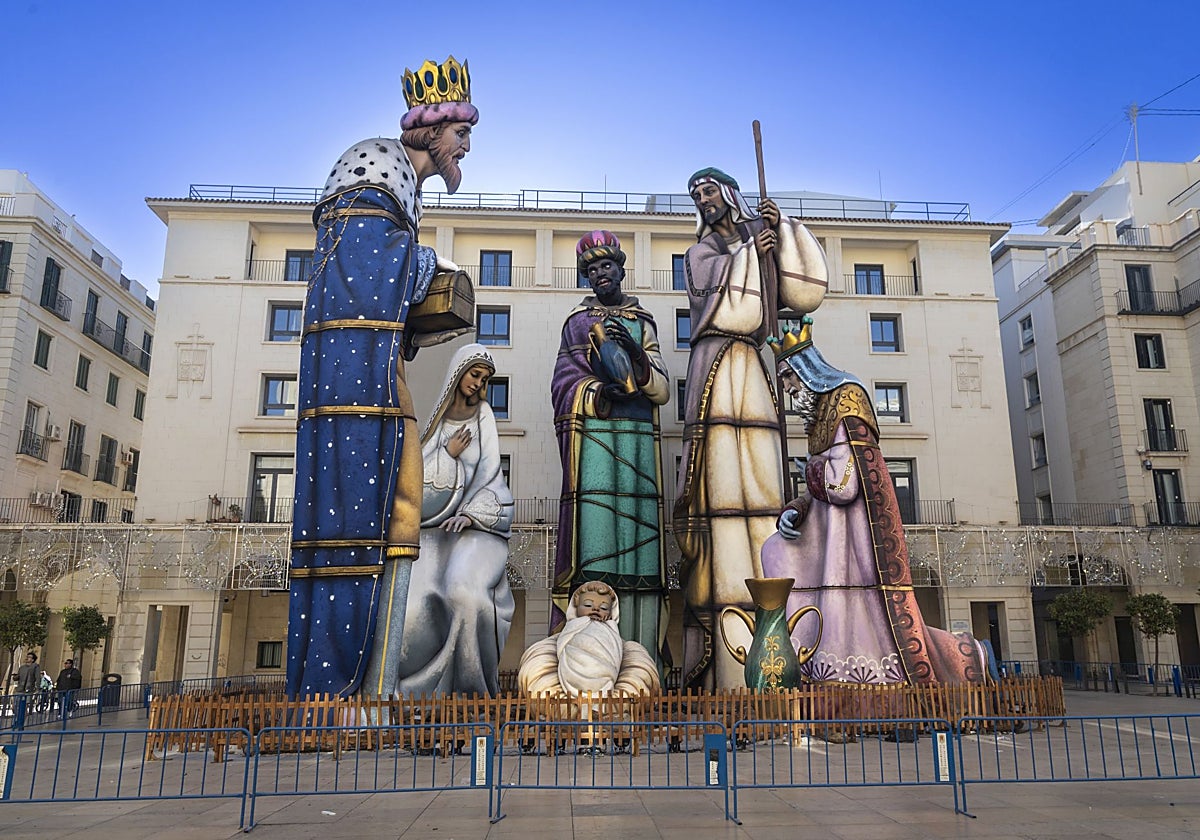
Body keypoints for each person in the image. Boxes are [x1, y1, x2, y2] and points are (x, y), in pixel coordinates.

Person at [287, 56, 478, 698]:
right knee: (368, 509)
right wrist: (429, 266)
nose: (466, 148)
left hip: (375, 367)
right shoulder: (375, 166)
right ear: (431, 128)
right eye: (462, 134)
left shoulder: (405, 188)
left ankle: (373, 686)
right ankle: (339, 692)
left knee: (398, 506)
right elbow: (367, 266)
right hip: (352, 378)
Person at [760, 319, 987, 685]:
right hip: (825, 530)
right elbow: (819, 489)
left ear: (808, 372)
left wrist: (814, 472)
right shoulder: (818, 415)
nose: (787, 388)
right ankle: (799, 653)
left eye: (789, 377)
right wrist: (795, 509)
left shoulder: (847, 401)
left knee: (829, 588)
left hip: (850, 543)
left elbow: (844, 486)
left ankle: (843, 665)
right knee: (776, 550)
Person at [673, 168, 829, 690]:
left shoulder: (754, 239)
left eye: (709, 189)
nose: (703, 198)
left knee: (763, 481)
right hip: (716, 363)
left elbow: (800, 295)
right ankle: (726, 658)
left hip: (755, 368)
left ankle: (774, 625)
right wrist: (749, 254)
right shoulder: (700, 253)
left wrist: (778, 232)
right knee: (721, 488)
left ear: (730, 194)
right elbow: (718, 293)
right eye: (696, 194)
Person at [551, 231, 671, 670]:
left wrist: (636, 354)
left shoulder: (645, 320)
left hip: (639, 439)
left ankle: (643, 661)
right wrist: (598, 391)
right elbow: (563, 384)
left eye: (607, 267)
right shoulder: (575, 324)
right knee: (598, 547)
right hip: (598, 439)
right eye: (592, 269)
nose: (601, 275)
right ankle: (590, 663)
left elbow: (660, 388)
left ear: (621, 269)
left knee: (642, 546)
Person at [378, 343, 515, 697]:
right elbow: (415, 482)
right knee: (410, 601)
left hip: (478, 529)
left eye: (484, 378)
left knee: (465, 592)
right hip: (432, 532)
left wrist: (471, 515)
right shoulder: (434, 426)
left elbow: (491, 477)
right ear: (458, 373)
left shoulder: (483, 416)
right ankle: (417, 693)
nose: (477, 383)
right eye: (474, 374)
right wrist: (448, 457)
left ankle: (472, 692)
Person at [518, 581, 660, 698]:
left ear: (612, 613)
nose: (596, 609)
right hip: (570, 682)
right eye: (587, 605)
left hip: (607, 683)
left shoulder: (612, 633)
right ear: (575, 607)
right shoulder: (570, 630)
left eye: (604, 607)